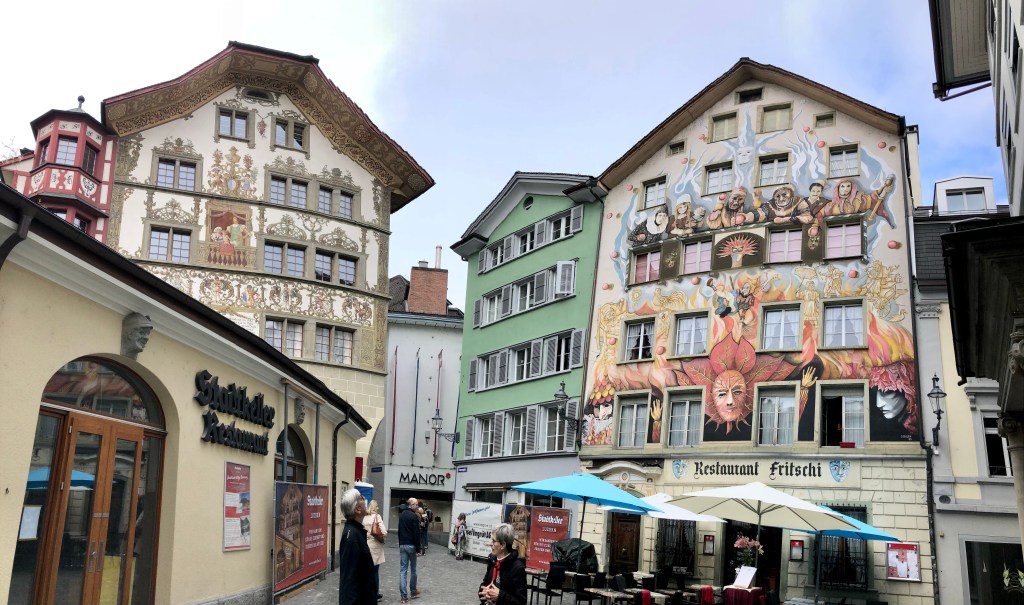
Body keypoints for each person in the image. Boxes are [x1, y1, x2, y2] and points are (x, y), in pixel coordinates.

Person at [338, 489, 375, 605]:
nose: (364, 498)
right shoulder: (352, 537)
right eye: (361, 498)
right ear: (357, 509)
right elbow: (349, 581)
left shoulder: (356, 531)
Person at [478, 523, 527, 605]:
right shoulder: (492, 560)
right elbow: (484, 583)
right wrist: (484, 592)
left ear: (503, 545)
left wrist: (500, 596)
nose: (490, 544)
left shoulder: (517, 568)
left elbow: (521, 602)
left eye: (494, 541)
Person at [398, 497, 422, 603]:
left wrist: (400, 543)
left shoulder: (402, 514)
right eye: (416, 504)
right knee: (413, 569)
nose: (417, 506)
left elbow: (399, 530)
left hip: (403, 544)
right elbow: (416, 533)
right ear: (411, 505)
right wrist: (418, 549)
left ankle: (403, 596)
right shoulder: (413, 516)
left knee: (403, 570)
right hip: (411, 545)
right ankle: (413, 591)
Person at [362, 499, 387, 601]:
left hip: (366, 545)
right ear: (374, 507)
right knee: (375, 572)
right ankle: (374, 594)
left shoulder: (364, 517)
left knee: (366, 571)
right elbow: (384, 532)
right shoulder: (377, 516)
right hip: (375, 547)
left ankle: (365, 593)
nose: (378, 508)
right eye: (377, 506)